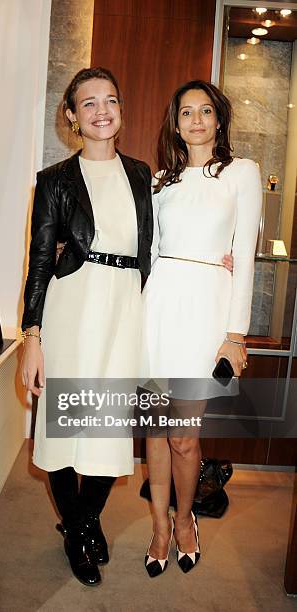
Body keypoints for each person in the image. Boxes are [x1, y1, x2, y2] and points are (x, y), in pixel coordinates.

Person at [19, 67, 153, 586]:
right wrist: (33, 336)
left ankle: (83, 518)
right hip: (71, 305)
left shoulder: (141, 174)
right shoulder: (54, 181)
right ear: (72, 117)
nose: (102, 111)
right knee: (64, 424)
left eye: (110, 100)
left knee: (106, 424)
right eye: (89, 103)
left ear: (120, 110)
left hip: (124, 308)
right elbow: (38, 262)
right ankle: (79, 533)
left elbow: (159, 242)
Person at [142, 80, 262, 577]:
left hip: (205, 310)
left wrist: (235, 334)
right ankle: (158, 529)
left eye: (205, 111)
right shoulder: (158, 181)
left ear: (218, 119)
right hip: (158, 308)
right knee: (154, 430)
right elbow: (148, 255)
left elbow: (247, 258)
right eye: (186, 112)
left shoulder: (242, 173)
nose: (195, 120)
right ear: (175, 122)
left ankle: (186, 520)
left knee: (184, 437)